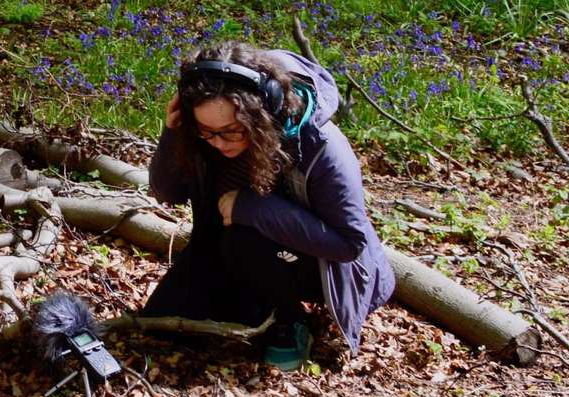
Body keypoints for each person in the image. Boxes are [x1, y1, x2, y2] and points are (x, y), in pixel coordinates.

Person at [140, 41, 396, 371]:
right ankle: (253, 302)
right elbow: (168, 192)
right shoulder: (202, 137)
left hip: (317, 268)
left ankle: (291, 320)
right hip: (231, 253)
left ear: (263, 112)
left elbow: (349, 244)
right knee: (162, 325)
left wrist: (254, 208)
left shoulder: (322, 147)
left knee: (243, 238)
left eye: (232, 132)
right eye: (206, 131)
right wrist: (173, 134)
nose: (218, 143)